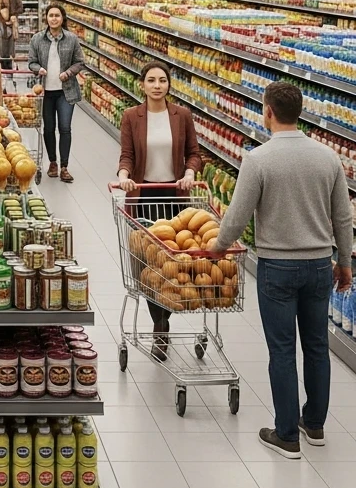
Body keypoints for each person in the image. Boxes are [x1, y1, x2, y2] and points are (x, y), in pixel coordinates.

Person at [212, 81, 353, 458]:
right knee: (317, 346)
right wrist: (344, 262)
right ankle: (315, 424)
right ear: (300, 112)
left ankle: (287, 434)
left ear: (268, 112)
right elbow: (343, 217)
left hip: (277, 267)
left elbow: (237, 216)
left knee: (282, 350)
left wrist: (217, 248)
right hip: (319, 265)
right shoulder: (328, 158)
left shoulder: (259, 159)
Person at [117, 60, 201, 360]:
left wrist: (189, 172)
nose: (157, 85)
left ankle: (164, 317)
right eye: (151, 80)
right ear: (142, 84)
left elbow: (194, 154)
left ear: (168, 85)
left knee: (173, 264)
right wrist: (124, 176)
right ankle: (160, 326)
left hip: (174, 197)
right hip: (144, 197)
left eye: (162, 80)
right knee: (149, 266)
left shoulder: (182, 116)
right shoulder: (132, 116)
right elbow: (127, 155)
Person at [27, 3, 84, 182]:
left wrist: (68, 73)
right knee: (49, 128)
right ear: (46, 18)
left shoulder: (71, 39)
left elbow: (80, 62)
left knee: (65, 128)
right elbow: (31, 62)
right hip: (45, 92)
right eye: (51, 15)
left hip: (66, 91)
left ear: (62, 18)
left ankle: (64, 166)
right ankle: (53, 162)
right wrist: (39, 69)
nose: (54, 19)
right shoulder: (37, 39)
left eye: (57, 15)